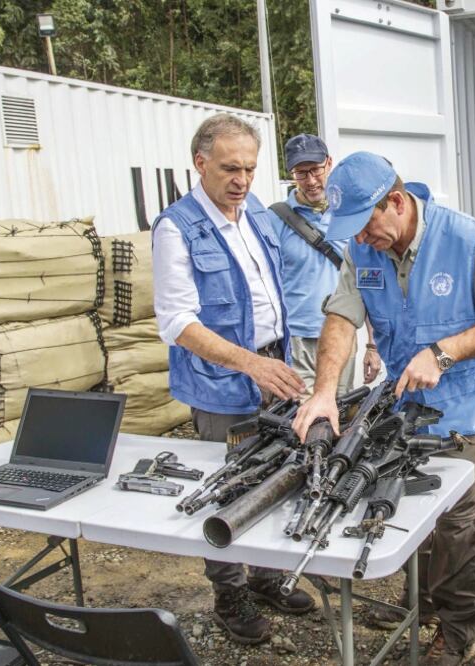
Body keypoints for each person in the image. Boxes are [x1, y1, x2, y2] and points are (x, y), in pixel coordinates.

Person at [291, 151, 475, 665]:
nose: (359, 239)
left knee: (460, 525)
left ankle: (458, 629)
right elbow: (340, 316)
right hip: (401, 410)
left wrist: (444, 352)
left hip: (460, 410)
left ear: (396, 203)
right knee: (400, 504)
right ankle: (418, 601)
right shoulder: (365, 250)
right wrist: (324, 390)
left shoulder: (469, 241)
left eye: (365, 225)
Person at [151, 113, 312, 645]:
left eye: (249, 168)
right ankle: (229, 593)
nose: (241, 179)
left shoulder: (256, 215)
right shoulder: (177, 227)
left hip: (274, 368)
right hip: (223, 381)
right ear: (200, 163)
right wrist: (249, 362)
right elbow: (177, 323)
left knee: (276, 475)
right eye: (229, 168)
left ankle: (265, 577)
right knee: (226, 488)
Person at [269, 133, 381, 394]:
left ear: (329, 163)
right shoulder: (274, 219)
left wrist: (372, 346)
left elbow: (368, 280)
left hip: (342, 333)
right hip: (297, 340)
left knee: (338, 411)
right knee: (303, 418)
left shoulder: (350, 216)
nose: (310, 181)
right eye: (301, 173)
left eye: (316, 170)